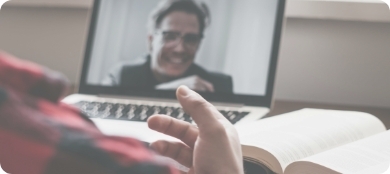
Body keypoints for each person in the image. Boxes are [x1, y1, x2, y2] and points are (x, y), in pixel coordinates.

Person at [0, 51, 243, 174]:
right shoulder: (124, 72)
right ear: (152, 37)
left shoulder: (215, 80)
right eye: (170, 34)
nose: (180, 46)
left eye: (190, 38)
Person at [103, 0, 233, 93]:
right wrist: (170, 91)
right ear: (151, 40)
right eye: (170, 36)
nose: (180, 49)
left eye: (191, 39)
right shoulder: (122, 77)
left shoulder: (219, 86)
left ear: (199, 44)